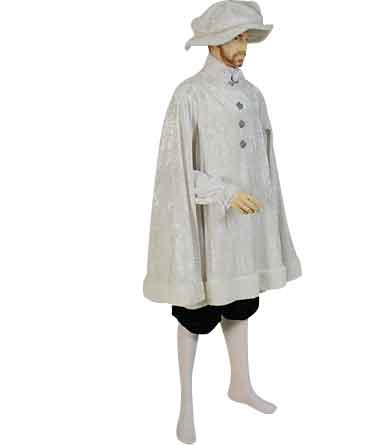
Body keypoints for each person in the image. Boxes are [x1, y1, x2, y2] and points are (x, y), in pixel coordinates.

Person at [143, 1, 302, 443]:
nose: (242, 46)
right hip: (207, 229)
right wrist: (225, 194)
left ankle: (240, 384)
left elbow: (265, 165)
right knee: (196, 313)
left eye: (246, 37)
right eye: (235, 37)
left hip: (245, 232)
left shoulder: (254, 96)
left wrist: (267, 217)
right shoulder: (190, 95)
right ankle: (186, 404)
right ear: (213, 42)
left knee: (241, 301)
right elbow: (177, 171)